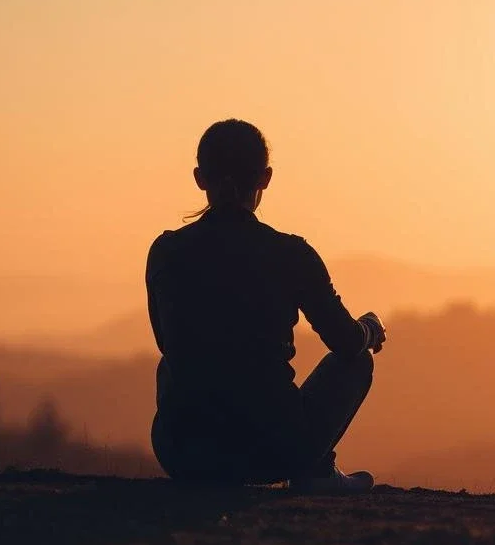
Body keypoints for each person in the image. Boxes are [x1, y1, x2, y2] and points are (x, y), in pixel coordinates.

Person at [146, 119, 387, 493]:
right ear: (265, 178)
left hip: (182, 454)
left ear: (199, 177)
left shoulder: (166, 252)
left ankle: (311, 466)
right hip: (274, 451)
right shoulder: (292, 254)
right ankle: (317, 471)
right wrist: (369, 329)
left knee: (173, 361)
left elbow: (167, 343)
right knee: (359, 361)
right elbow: (345, 343)